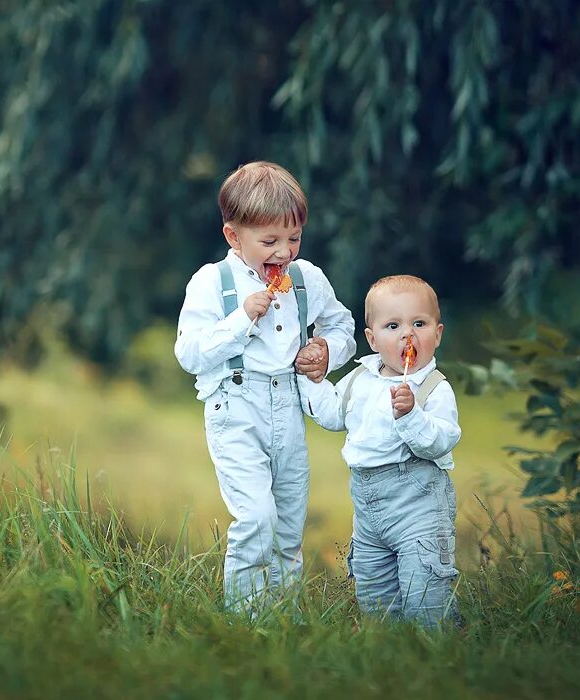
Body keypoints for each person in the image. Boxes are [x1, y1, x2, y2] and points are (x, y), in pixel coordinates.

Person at [174, 161, 356, 613]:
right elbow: (190, 353)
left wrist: (325, 352)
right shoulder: (212, 282)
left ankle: (283, 618)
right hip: (235, 405)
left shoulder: (307, 278)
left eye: (293, 238)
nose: (284, 252)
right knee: (256, 517)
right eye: (270, 241)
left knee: (289, 525)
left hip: (288, 406)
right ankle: (244, 618)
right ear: (233, 236)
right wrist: (243, 319)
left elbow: (344, 328)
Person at [298, 274, 461, 627]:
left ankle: (442, 649)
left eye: (419, 323)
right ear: (372, 339)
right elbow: (331, 414)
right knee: (375, 596)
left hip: (417, 501)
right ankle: (389, 653)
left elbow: (441, 440)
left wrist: (410, 415)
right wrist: (309, 379)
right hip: (367, 504)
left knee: (425, 589)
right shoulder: (361, 379)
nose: (408, 334)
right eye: (393, 325)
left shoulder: (433, 388)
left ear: (438, 333)